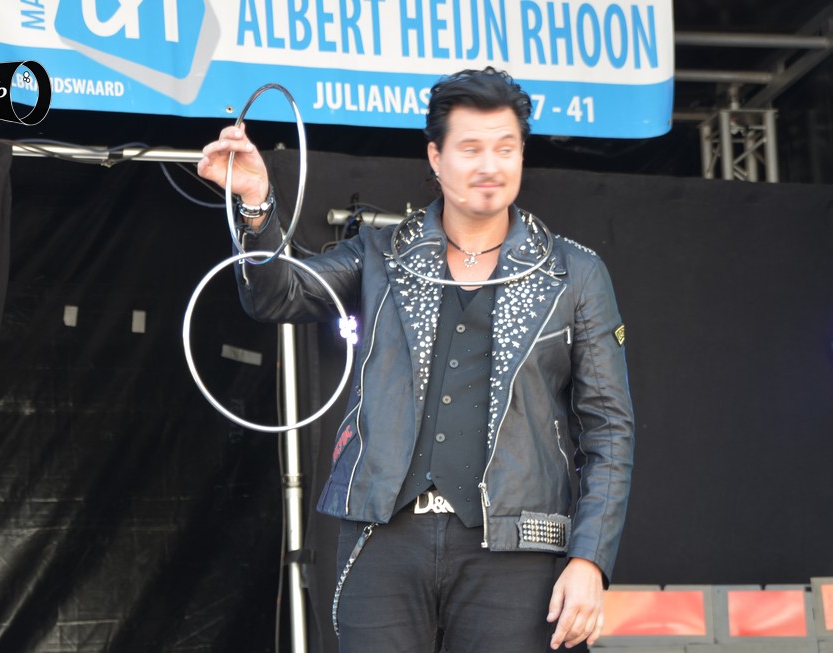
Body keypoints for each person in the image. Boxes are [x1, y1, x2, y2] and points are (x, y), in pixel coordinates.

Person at [197, 67, 634, 652]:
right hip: (385, 535)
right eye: (471, 148)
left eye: (505, 148)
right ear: (435, 157)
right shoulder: (383, 255)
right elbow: (278, 294)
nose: (490, 165)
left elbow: (609, 429)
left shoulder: (573, 272)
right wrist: (256, 203)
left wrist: (589, 558)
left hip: (517, 545)